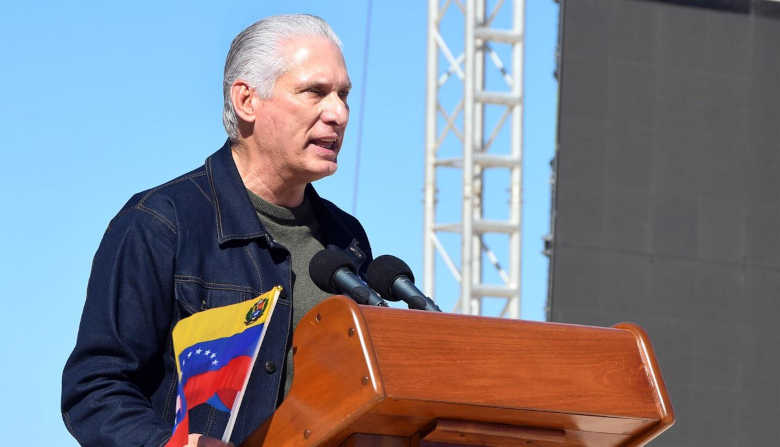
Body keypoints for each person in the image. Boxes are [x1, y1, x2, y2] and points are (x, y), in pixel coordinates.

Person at [61, 14, 372, 447]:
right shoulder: (161, 223)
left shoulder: (347, 239)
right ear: (246, 100)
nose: (338, 113)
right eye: (314, 92)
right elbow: (95, 388)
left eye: (344, 95)